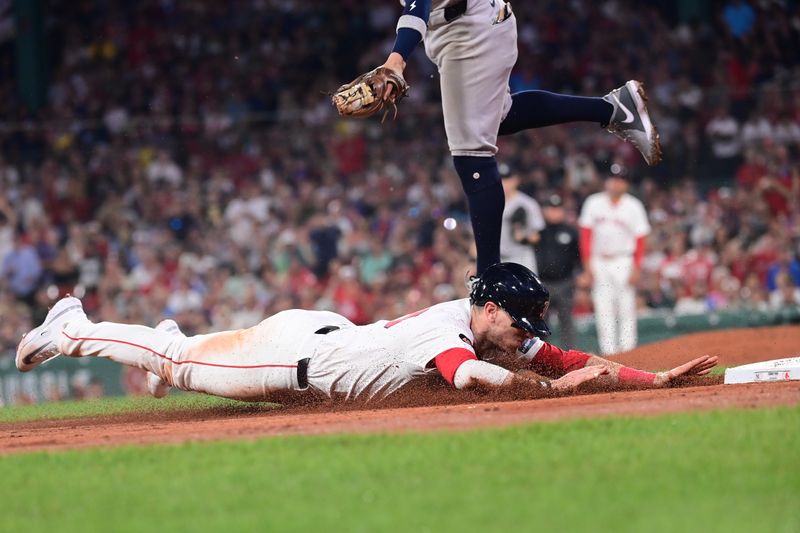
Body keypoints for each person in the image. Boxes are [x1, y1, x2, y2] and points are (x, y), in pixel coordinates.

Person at [17, 263, 716, 404]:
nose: (526, 335)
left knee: (182, 356)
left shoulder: (488, 327)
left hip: (326, 336)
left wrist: (653, 377)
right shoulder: (453, 330)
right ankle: (73, 325)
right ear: (493, 310)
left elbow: (563, 356)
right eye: (520, 323)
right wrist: (556, 386)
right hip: (287, 360)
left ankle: (177, 344)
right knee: (172, 359)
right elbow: (469, 376)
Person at [377, 0, 661, 274]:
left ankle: (489, 279)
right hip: (464, 25)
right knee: (501, 115)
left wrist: (396, 59)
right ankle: (614, 108)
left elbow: (418, 4)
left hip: (468, 31)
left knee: (470, 154)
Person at [579, 172, 651, 355]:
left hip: (623, 259)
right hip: (599, 260)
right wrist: (588, 267)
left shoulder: (633, 205)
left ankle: (628, 351)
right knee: (603, 308)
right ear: (606, 182)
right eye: (612, 179)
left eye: (620, 180)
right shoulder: (593, 202)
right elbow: (585, 236)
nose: (616, 183)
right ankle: (609, 352)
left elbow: (641, 239)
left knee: (626, 306)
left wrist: (636, 267)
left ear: (625, 184)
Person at [534, 194, 580, 348]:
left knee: (566, 320)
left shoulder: (570, 231)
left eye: (557, 209)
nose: (554, 212)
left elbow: (578, 256)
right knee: (541, 323)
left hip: (565, 282)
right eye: (550, 209)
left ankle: (570, 355)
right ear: (544, 211)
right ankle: (541, 356)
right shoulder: (537, 232)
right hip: (542, 283)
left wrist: (580, 273)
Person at [499, 163, 544, 273]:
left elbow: (537, 236)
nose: (504, 183)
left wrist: (522, 236)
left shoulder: (528, 204)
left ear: (515, 180)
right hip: (498, 259)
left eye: (507, 179)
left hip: (522, 258)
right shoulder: (489, 204)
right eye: (501, 179)